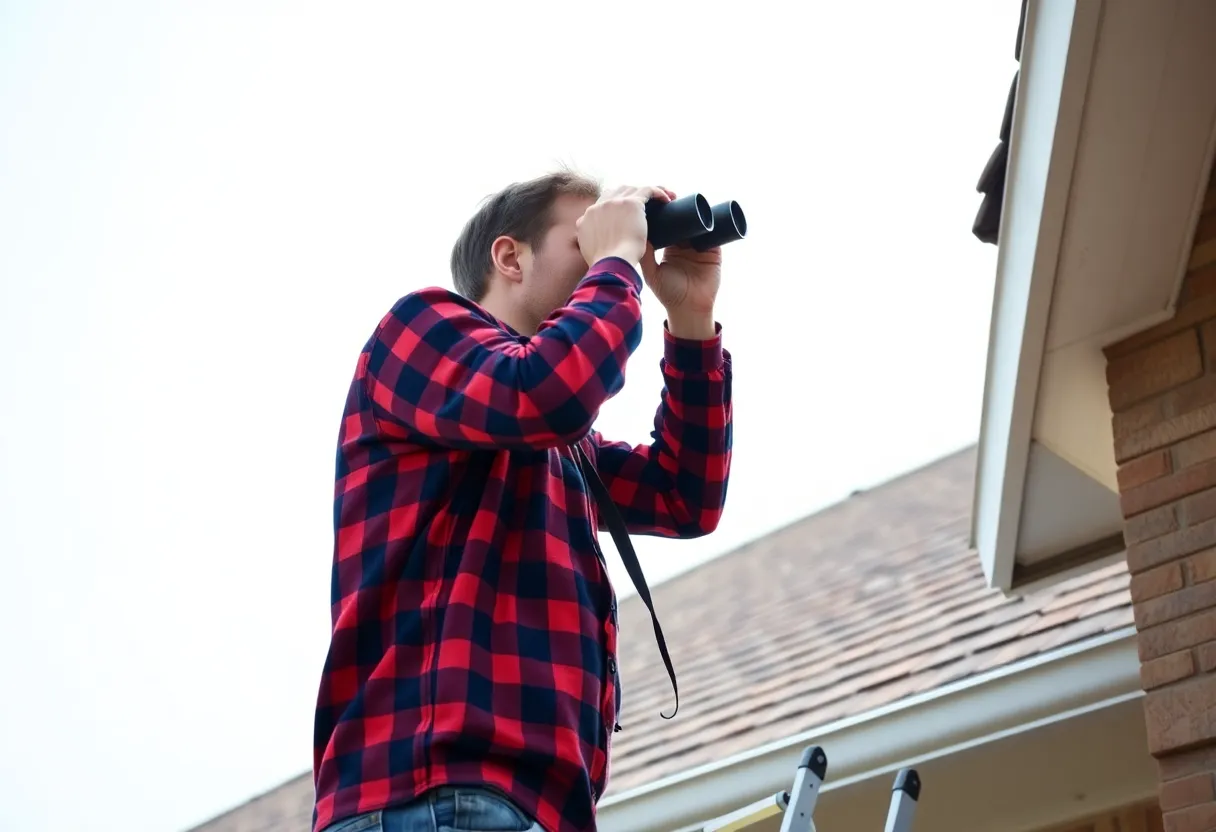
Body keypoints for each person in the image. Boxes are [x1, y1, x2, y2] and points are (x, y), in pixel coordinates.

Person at [310, 171, 735, 832]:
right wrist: (620, 259)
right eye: (585, 241)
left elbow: (686, 496)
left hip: (530, 807)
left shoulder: (562, 444)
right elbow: (546, 392)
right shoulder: (419, 331)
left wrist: (690, 316)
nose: (604, 256)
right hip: (434, 791)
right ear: (510, 257)